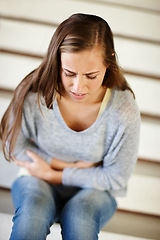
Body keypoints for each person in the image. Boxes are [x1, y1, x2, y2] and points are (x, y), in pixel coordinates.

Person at [0, 13, 140, 240]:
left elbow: (116, 177)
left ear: (109, 62)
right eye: (69, 73)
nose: (78, 86)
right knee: (32, 214)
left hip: (93, 192)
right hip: (37, 179)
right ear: (57, 61)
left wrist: (57, 175)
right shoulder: (35, 93)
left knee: (80, 218)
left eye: (91, 76)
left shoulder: (122, 111)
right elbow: (13, 146)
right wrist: (60, 165)